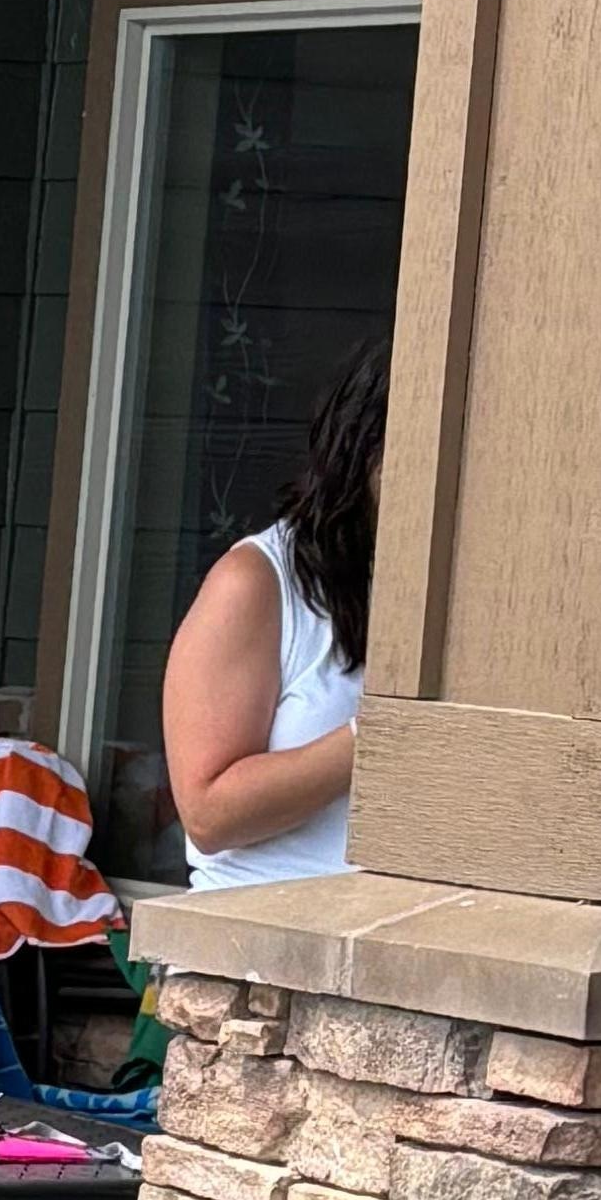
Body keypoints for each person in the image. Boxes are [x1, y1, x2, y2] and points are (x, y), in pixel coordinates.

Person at [160, 340, 383, 889]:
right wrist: (379, 734)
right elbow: (208, 815)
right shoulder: (257, 581)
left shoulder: (459, 585)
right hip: (259, 926)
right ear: (361, 448)